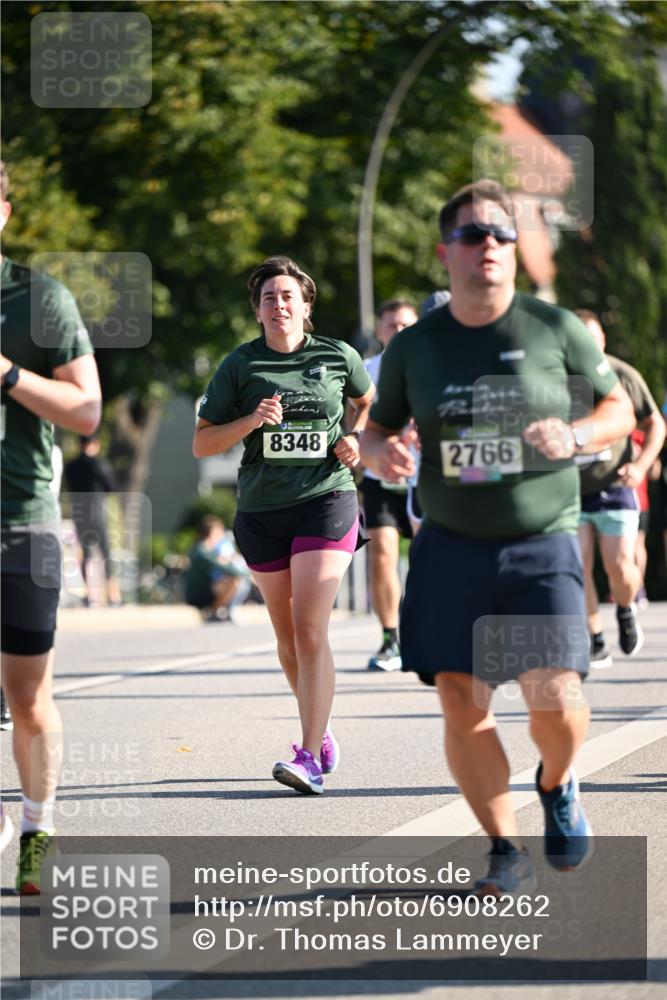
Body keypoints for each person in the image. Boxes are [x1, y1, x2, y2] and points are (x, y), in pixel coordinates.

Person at [361, 179, 634, 893]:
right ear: (444, 252)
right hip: (450, 544)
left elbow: (617, 407)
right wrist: (379, 453)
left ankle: (556, 781)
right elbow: (375, 429)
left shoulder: (554, 328)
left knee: (556, 697)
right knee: (461, 698)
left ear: (515, 249)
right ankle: (504, 849)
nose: (489, 244)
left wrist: (576, 433)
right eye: (472, 234)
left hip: (540, 540)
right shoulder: (415, 347)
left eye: (501, 234)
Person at [193, 255, 374, 794]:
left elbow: (367, 402)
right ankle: (321, 728)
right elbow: (202, 443)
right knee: (288, 637)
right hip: (263, 510)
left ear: (305, 305)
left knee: (310, 627)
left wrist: (355, 437)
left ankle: (308, 757)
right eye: (269, 298)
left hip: (326, 499)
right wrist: (251, 420)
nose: (279, 305)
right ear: (258, 311)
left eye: (288, 296)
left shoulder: (337, 355)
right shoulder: (240, 365)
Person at [0, 160, 102, 892]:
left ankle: (37, 825)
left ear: (4, 211)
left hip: (19, 523)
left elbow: (87, 409)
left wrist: (7, 374)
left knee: (27, 697)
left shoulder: (40, 300)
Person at [574, 310, 664, 667]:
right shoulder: (555, 378)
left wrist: (641, 466)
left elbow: (655, 423)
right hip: (571, 487)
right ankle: (595, 638)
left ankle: (626, 608)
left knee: (620, 564)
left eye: (592, 339)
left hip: (615, 484)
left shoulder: (620, 374)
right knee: (577, 564)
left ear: (602, 340)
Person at [358, 299, 418, 671]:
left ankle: (426, 631)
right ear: (380, 330)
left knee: (430, 560)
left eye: (406, 325)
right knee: (381, 552)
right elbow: (354, 421)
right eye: (392, 325)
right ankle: (390, 639)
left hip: (424, 477)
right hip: (380, 478)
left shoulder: (431, 365)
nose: (399, 332)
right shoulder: (366, 371)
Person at [64, 433, 122, 607]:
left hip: (79, 512)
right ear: (96, 444)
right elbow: (111, 487)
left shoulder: (71, 466)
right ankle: (113, 595)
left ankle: (89, 595)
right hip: (96, 511)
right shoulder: (99, 464)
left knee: (85, 553)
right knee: (105, 552)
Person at [184, 515, 250, 622]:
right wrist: (248, 574)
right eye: (220, 533)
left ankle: (222, 610)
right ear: (212, 533)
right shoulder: (203, 551)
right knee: (234, 580)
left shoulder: (207, 550)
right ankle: (214, 611)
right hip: (198, 594)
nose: (222, 536)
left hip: (206, 588)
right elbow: (230, 570)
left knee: (233, 579)